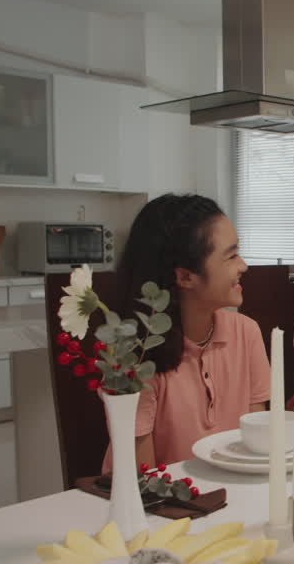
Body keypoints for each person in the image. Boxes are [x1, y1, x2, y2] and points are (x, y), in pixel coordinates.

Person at [104, 194, 270, 470]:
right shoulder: (135, 356)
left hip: (232, 499)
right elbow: (143, 481)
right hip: (159, 506)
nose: (244, 266)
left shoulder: (246, 333)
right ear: (185, 277)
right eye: (231, 256)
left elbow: (256, 453)